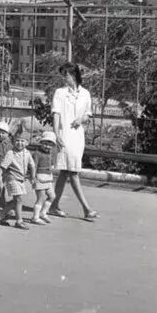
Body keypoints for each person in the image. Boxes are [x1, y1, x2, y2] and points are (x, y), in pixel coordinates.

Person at [48, 62, 99, 221]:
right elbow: (56, 114)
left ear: (74, 75)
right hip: (64, 134)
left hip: (78, 135)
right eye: (63, 74)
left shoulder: (85, 93)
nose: (64, 78)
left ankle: (53, 205)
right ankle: (87, 209)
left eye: (66, 74)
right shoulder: (60, 93)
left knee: (65, 171)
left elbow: (88, 114)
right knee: (73, 171)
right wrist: (57, 134)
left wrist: (81, 119)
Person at [0, 127, 36, 230]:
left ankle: (0, 215)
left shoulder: (27, 153)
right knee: (18, 200)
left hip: (20, 180)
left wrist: (33, 178)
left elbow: (32, 165)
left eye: (22, 141)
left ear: (27, 142)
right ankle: (19, 221)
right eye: (17, 141)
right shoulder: (11, 153)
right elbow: (2, 167)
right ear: (13, 142)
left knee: (16, 201)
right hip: (12, 178)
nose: (20, 143)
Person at [30, 131, 57, 224]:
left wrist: (52, 166)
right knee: (40, 198)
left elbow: (53, 163)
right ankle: (35, 217)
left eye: (50, 145)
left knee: (52, 196)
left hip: (48, 177)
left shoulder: (51, 153)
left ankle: (43, 213)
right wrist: (33, 178)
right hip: (39, 177)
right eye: (45, 144)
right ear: (41, 143)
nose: (47, 146)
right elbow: (34, 166)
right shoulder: (37, 154)